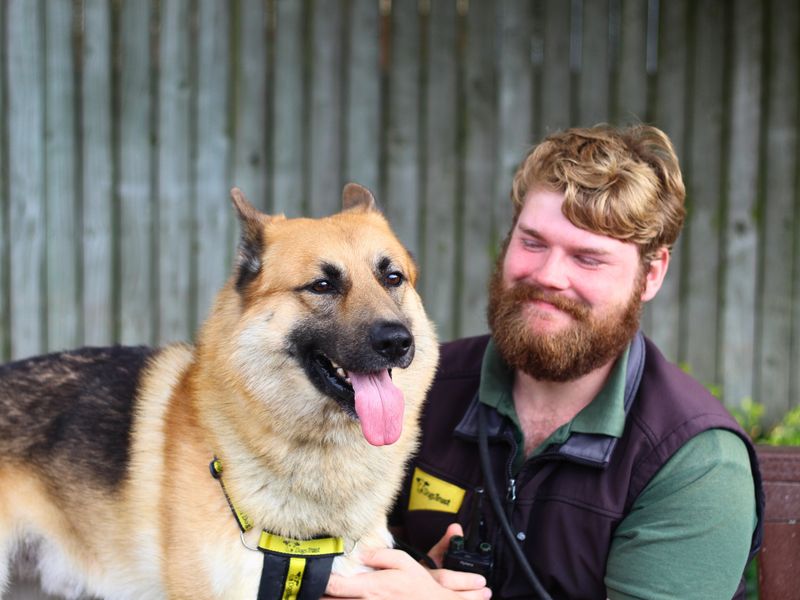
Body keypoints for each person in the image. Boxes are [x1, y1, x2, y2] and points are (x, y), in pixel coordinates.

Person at [325, 124, 763, 600]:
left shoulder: (694, 460)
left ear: (651, 273)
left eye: (588, 258)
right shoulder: (417, 388)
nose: (548, 276)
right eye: (533, 242)